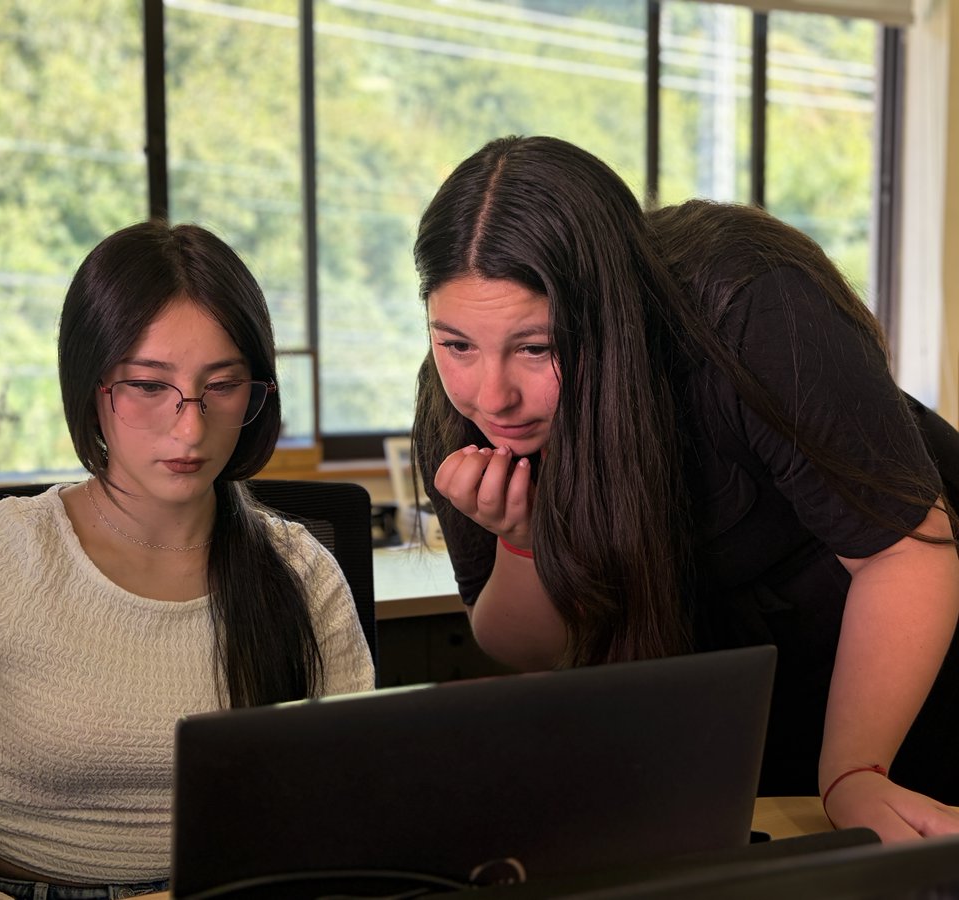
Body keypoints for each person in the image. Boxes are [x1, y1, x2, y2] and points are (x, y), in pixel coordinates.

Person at [0, 221, 375, 894]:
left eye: (221, 385)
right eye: (147, 385)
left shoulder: (301, 571)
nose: (190, 427)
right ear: (92, 388)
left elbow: (352, 816)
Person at [411, 134, 959, 843]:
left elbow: (902, 553)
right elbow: (534, 650)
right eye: (456, 344)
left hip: (909, 636)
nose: (492, 396)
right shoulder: (455, 410)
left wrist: (855, 770)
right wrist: (525, 542)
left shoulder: (748, 305)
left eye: (537, 347)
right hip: (732, 693)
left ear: (610, 317)